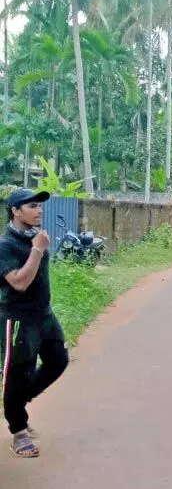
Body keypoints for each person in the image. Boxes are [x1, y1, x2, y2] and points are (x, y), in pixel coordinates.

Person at [0, 189, 69, 458]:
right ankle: (18, 431)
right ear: (16, 211)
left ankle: (17, 403)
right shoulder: (6, 246)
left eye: (39, 206)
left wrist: (37, 245)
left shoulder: (34, 237)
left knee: (58, 361)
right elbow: (19, 282)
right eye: (32, 206)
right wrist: (38, 249)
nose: (39, 210)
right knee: (19, 373)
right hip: (18, 319)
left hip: (44, 315)